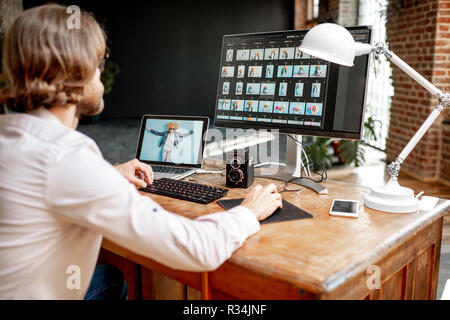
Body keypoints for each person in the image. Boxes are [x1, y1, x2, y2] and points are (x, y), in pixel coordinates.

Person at [0, 4, 282, 300]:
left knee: (109, 278)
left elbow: (40, 187)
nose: (100, 74)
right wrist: (248, 212)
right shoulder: (66, 156)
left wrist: (106, 176)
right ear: (79, 73)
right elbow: (197, 248)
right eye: (100, 63)